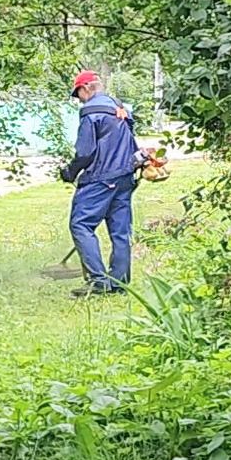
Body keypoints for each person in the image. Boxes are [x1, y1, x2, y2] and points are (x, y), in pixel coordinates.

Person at [60, 70, 144, 297]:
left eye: (78, 95)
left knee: (81, 224)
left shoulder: (91, 112)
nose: (79, 101)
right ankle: (119, 283)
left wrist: (70, 172)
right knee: (120, 231)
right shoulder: (121, 109)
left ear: (86, 88)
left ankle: (98, 282)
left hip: (101, 177)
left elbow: (86, 152)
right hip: (125, 176)